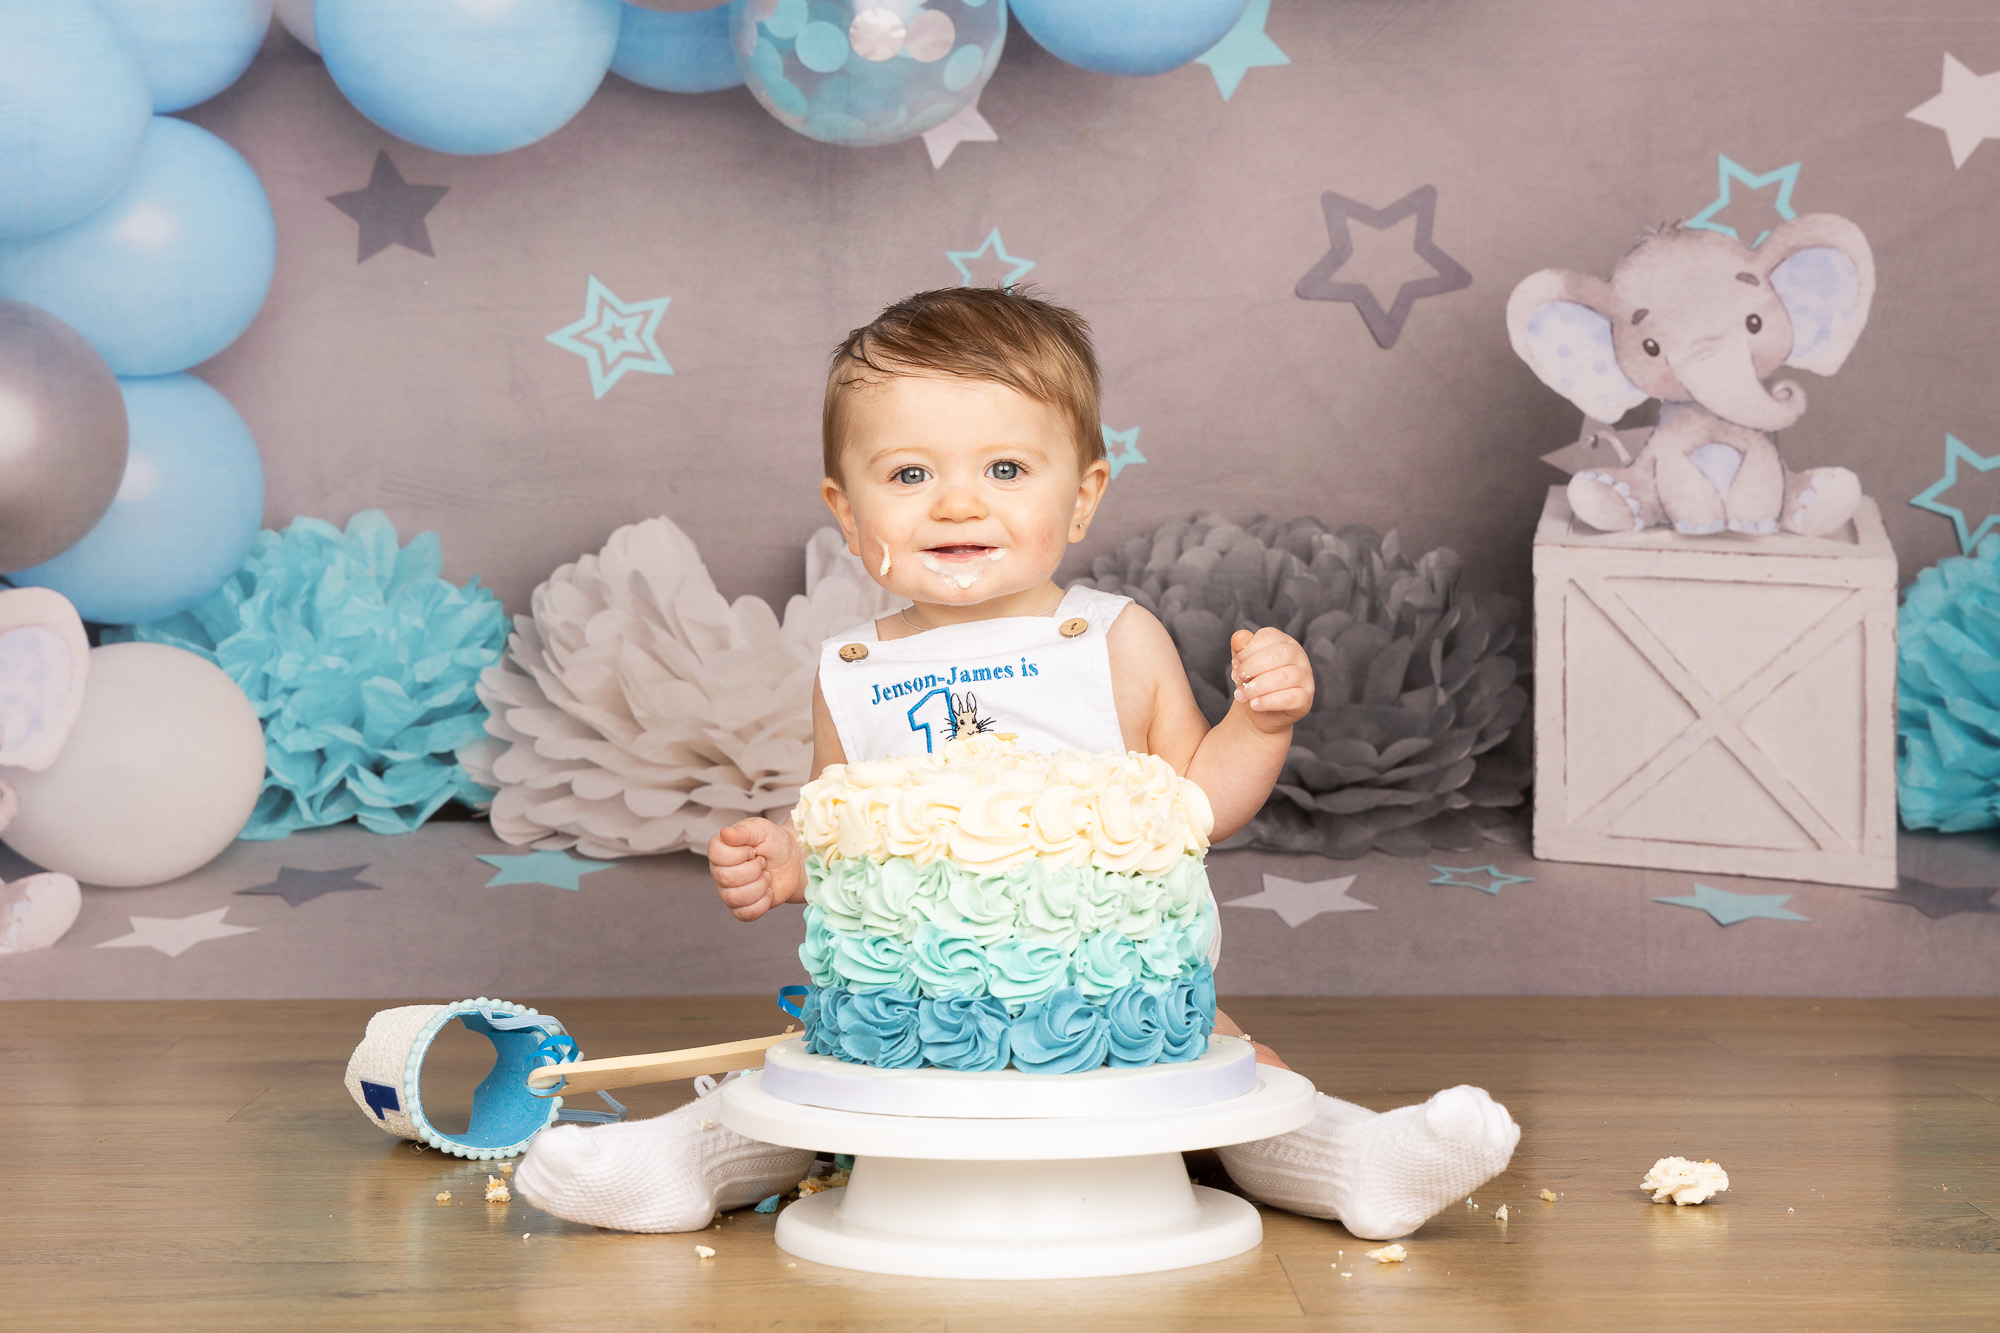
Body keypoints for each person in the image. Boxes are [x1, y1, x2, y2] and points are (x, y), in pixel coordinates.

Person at [516, 286, 1519, 1239]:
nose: (958, 504)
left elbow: (1198, 802)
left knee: (1240, 1080)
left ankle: (1357, 1162)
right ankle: (676, 1169)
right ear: (846, 510)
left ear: (1081, 498)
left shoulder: (1113, 637)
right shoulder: (853, 670)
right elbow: (846, 835)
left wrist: (1259, 723)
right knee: (794, 1092)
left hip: (1106, 1009)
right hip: (913, 1019)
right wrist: (786, 862)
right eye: (909, 476)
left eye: (1004, 470)